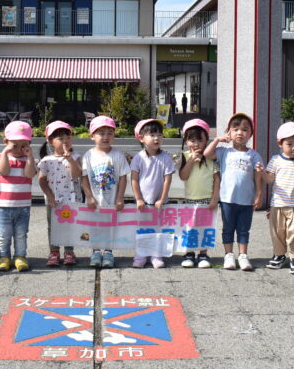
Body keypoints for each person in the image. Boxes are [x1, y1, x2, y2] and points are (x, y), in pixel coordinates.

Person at [203, 112, 263, 271]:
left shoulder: (253, 154)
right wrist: (217, 140)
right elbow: (207, 154)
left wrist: (258, 194)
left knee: (244, 229)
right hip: (227, 199)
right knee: (228, 228)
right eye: (235, 129)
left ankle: (243, 255)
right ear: (228, 132)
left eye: (244, 129)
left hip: (246, 200)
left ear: (250, 134)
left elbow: (258, 176)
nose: (240, 133)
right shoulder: (224, 152)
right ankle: (228, 255)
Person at [258, 122, 294, 275]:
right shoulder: (276, 160)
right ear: (280, 143)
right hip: (278, 204)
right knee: (278, 232)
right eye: (289, 144)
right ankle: (279, 255)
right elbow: (270, 180)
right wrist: (262, 173)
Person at [82, 115, 129, 268]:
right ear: (92, 136)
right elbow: (84, 178)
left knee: (111, 225)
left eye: (109, 133)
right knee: (93, 225)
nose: (105, 137)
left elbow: (123, 177)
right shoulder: (88, 155)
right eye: (101, 133)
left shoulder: (118, 155)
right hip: (94, 199)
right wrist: (89, 196)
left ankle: (108, 251)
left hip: (112, 199)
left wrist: (120, 197)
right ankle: (95, 252)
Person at [130, 119, 176, 269]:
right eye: (152, 135)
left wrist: (162, 199)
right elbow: (134, 180)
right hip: (143, 203)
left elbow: (167, 180)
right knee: (142, 228)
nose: (157, 138)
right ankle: (141, 254)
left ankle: (156, 254)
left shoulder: (166, 158)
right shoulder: (138, 158)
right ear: (141, 138)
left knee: (158, 228)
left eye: (159, 135)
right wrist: (138, 198)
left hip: (159, 203)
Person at [38, 120, 82, 267]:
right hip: (53, 200)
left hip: (72, 199)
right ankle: (54, 252)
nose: (65, 141)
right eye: (60, 138)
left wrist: (69, 159)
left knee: (71, 225)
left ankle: (69, 251)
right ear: (50, 141)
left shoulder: (75, 157)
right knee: (53, 226)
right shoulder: (47, 160)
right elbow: (42, 181)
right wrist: (50, 196)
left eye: (68, 137)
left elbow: (77, 175)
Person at [0, 121, 36, 272]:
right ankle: (4, 256)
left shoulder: (28, 160)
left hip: (23, 205)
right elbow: (4, 171)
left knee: (21, 234)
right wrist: (6, 152)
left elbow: (29, 174)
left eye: (23, 145)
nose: (18, 149)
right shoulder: (1, 156)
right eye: (14, 145)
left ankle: (20, 256)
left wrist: (30, 157)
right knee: (4, 234)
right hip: (4, 205)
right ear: (6, 142)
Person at [178, 119, 220, 268]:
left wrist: (215, 198)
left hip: (207, 200)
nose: (196, 144)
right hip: (190, 199)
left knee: (205, 227)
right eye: (192, 140)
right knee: (189, 228)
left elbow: (216, 179)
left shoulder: (211, 157)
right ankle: (189, 253)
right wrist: (191, 161)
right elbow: (183, 176)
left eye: (200, 140)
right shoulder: (184, 156)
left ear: (206, 140)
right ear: (186, 140)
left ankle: (203, 254)